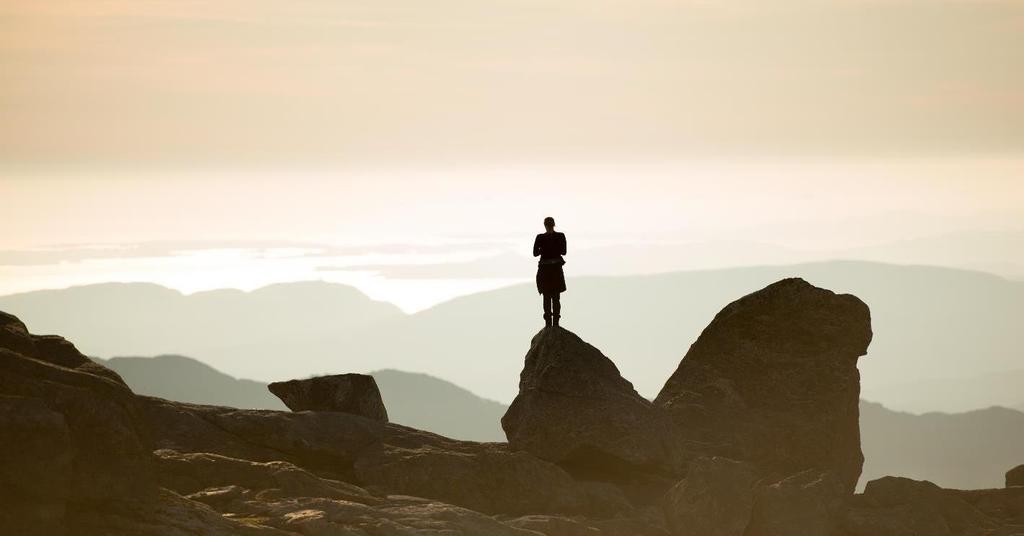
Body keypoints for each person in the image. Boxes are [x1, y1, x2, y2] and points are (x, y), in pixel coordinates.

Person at [533, 216, 566, 328]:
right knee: (556, 297)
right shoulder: (560, 236)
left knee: (546, 297)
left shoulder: (540, 237)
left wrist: (544, 249)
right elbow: (564, 251)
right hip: (556, 269)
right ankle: (556, 324)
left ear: (545, 225)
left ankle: (548, 325)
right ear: (554, 224)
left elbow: (535, 253)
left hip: (544, 270)